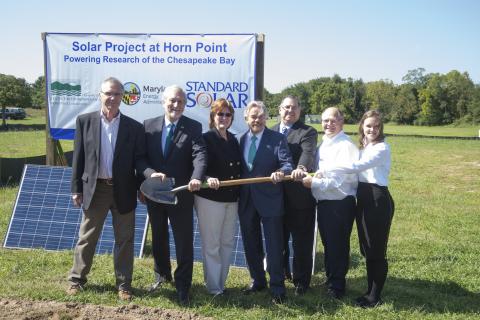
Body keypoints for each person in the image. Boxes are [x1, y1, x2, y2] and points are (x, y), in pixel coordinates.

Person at [67, 77, 146, 301]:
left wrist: (142, 187)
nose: (112, 98)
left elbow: (139, 161)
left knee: (125, 239)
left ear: (123, 97)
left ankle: (124, 285)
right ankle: (76, 280)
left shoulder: (134, 127)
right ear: (99, 95)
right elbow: (78, 158)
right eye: (108, 93)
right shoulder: (85, 121)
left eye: (117, 94)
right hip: (95, 189)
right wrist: (76, 188)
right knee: (87, 237)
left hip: (124, 190)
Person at [140, 85, 207, 305]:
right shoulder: (148, 126)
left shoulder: (194, 127)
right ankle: (162, 275)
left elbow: (199, 155)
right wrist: (150, 174)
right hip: (156, 194)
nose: (176, 105)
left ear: (184, 104)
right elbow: (140, 159)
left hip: (181, 193)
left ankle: (183, 285)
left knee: (183, 241)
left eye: (180, 101)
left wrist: (196, 177)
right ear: (163, 102)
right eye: (171, 101)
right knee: (158, 236)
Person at [321, 110, 394, 308]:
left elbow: (356, 166)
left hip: (377, 199)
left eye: (376, 126)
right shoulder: (366, 146)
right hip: (363, 198)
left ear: (381, 129)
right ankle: (369, 292)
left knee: (376, 249)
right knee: (367, 248)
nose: (372, 129)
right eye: (368, 126)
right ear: (362, 126)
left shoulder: (381, 148)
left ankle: (374, 296)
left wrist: (325, 169)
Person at [238, 100, 293, 304]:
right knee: (250, 242)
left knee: (274, 244)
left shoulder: (277, 139)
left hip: (270, 199)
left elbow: (287, 163)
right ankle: (257, 280)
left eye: (261, 116)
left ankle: (277, 287)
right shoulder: (240, 139)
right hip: (246, 200)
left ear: (266, 118)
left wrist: (282, 172)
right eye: (253, 116)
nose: (257, 120)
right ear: (246, 118)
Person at [302, 107, 359, 300]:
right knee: (329, 244)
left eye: (333, 120)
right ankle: (331, 278)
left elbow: (341, 183)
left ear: (341, 121)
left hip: (340, 203)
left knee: (338, 245)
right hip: (325, 202)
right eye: (325, 121)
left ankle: (337, 287)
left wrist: (314, 182)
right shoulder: (325, 143)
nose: (328, 124)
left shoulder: (346, 146)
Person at [194, 99, 242, 296]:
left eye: (227, 114)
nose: (223, 118)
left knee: (227, 243)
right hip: (210, 199)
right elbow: (197, 164)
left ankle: (221, 284)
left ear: (231, 118)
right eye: (219, 114)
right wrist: (206, 178)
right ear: (213, 117)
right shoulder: (204, 139)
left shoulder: (234, 140)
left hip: (232, 199)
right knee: (212, 244)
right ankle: (214, 288)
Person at [271, 95, 318, 296]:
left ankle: (301, 281)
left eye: (294, 108)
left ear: (300, 110)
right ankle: (281, 274)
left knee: (301, 242)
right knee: (278, 240)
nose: (290, 111)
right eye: (286, 107)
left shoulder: (307, 131)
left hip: (299, 197)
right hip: (274, 197)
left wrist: (301, 168)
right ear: (280, 109)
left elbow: (307, 153)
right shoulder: (270, 130)